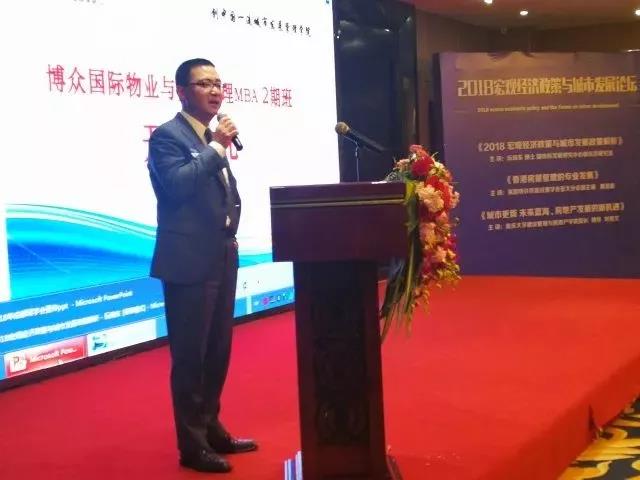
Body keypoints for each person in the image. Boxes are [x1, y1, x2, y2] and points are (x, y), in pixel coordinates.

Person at [147, 58, 256, 473]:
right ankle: (192, 446)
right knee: (191, 356)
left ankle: (211, 427)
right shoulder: (167, 137)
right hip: (188, 261)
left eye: (218, 83)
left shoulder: (210, 137)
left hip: (221, 255)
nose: (215, 91)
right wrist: (215, 148)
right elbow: (178, 187)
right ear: (181, 91)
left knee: (217, 351)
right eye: (204, 83)